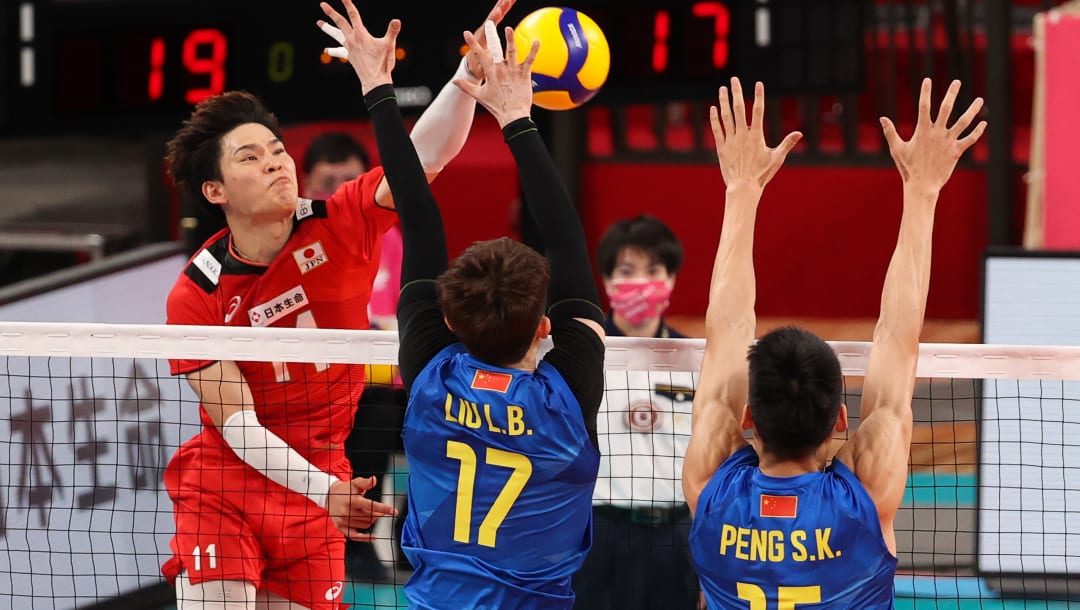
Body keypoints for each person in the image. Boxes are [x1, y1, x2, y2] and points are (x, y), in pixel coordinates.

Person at [160, 1, 518, 607]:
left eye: (276, 149)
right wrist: (323, 488)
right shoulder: (196, 292)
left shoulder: (342, 220)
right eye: (250, 157)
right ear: (214, 191)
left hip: (323, 475)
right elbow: (237, 422)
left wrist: (465, 82)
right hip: (227, 484)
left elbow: (422, 161)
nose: (275, 160)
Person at [319, 4, 606, 606]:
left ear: (449, 321)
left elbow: (417, 217)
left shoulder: (429, 377)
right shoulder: (564, 404)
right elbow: (569, 244)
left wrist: (376, 86)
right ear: (545, 328)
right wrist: (519, 119)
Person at [681, 77, 985, 608]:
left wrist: (741, 189)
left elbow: (725, 331)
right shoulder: (863, 498)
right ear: (840, 422)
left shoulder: (711, 486)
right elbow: (898, 339)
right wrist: (923, 190)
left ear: (748, 415)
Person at [573, 215, 700, 610]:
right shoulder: (581, 358)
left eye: (653, 270)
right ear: (607, 281)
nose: (640, 281)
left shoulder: (695, 358)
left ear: (671, 279)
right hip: (600, 532)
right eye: (627, 271)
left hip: (677, 535)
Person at [299, 130, 409, 582]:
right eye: (329, 182)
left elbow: (400, 315)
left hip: (380, 384)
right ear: (306, 184)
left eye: (351, 181)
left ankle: (389, 541)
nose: (340, 192)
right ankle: (331, 545)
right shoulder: (296, 240)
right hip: (316, 384)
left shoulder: (391, 237)